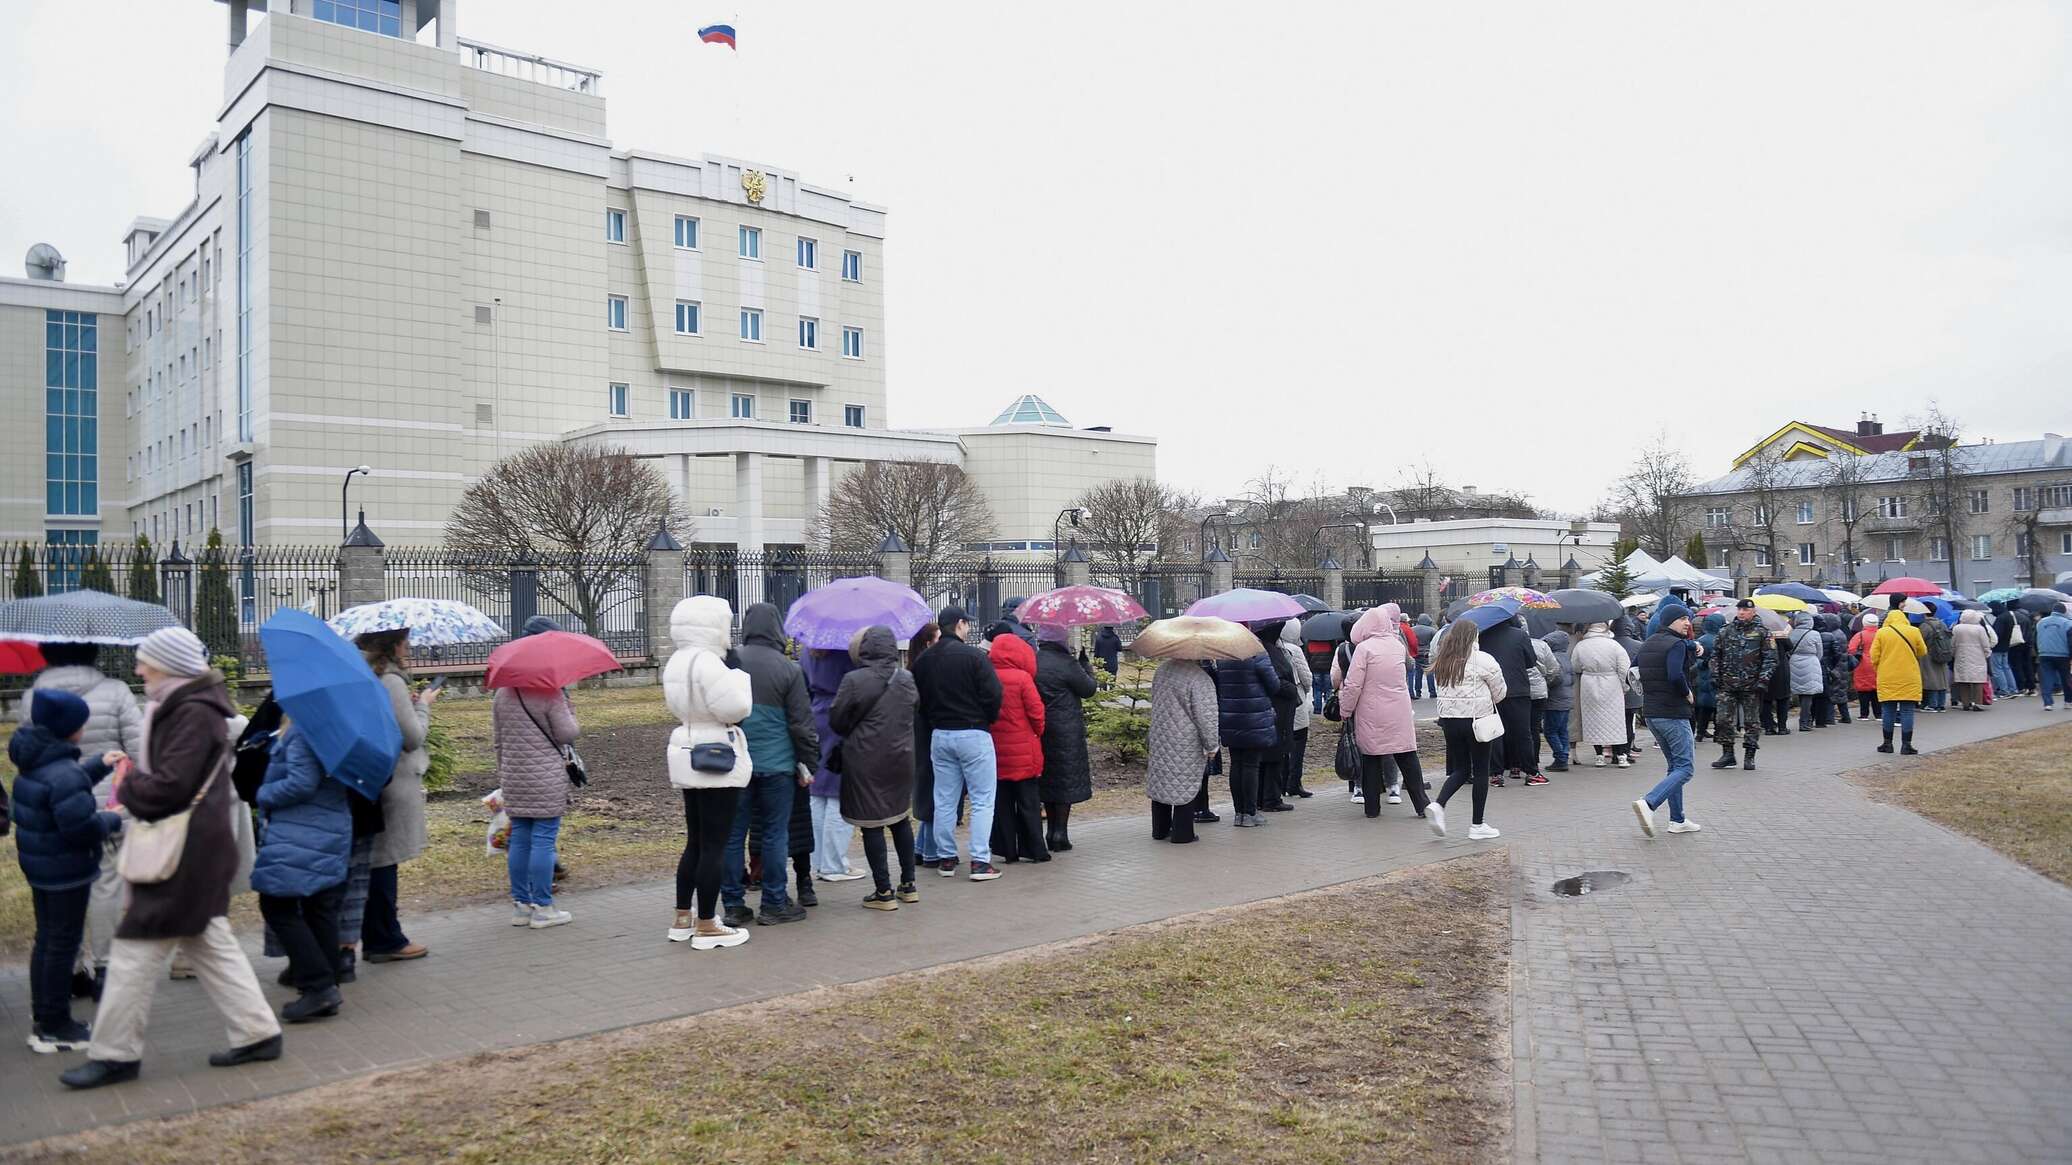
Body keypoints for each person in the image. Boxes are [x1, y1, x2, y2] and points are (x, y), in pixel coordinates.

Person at [64, 628, 282, 1090]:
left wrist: (129, 787)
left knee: (133, 952)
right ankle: (257, 1032)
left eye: (146, 662)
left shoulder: (192, 712)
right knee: (210, 943)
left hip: (184, 852)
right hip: (194, 847)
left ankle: (114, 1053)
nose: (139, 670)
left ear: (170, 666)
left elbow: (170, 786)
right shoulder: (187, 707)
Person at [25, 643, 145, 998]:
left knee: (64, 890)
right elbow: (139, 751)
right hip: (107, 806)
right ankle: (108, 968)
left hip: (52, 809)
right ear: (94, 652)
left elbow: (29, 755)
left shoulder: (34, 696)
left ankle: (72, 971)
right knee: (107, 884)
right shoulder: (116, 691)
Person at [9, 690, 123, 1053]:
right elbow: (79, 827)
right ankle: (56, 1027)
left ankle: (44, 1017)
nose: (84, 726)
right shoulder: (61, 773)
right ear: (67, 728)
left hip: (42, 868)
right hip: (67, 872)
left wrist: (99, 764)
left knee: (47, 940)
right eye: (80, 721)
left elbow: (61, 788)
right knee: (62, 944)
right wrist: (111, 820)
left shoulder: (36, 760)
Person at [663, 596, 756, 949]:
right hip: (716, 753)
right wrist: (739, 675)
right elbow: (736, 708)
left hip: (687, 748)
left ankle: (683, 916)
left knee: (696, 840)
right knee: (715, 844)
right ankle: (707, 924)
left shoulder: (676, 661)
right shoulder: (709, 663)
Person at [719, 603, 819, 929]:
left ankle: (733, 904)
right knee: (776, 834)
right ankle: (774, 902)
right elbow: (802, 725)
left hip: (736, 764)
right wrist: (809, 763)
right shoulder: (789, 670)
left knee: (733, 835)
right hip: (777, 766)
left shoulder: (728, 661)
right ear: (778, 629)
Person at [252, 719, 353, 1022]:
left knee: (276, 904)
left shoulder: (302, 730)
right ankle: (326, 984)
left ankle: (318, 986)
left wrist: (264, 793)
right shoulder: (335, 728)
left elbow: (301, 782)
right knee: (318, 906)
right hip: (329, 825)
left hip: (301, 830)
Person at [828, 626, 922, 909]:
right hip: (901, 758)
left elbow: (837, 720)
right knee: (899, 818)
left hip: (865, 759)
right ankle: (909, 885)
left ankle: (883, 892)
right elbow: (914, 709)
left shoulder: (853, 680)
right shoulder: (906, 678)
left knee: (872, 824)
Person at [355, 629, 433, 968]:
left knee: (376, 859)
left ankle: (374, 934)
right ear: (394, 645)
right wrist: (424, 709)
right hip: (394, 778)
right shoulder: (392, 681)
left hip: (372, 774)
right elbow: (411, 738)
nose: (409, 647)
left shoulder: (363, 674)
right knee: (384, 860)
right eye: (406, 642)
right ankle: (385, 938)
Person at [912, 607, 1005, 882]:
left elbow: (918, 699)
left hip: (940, 734)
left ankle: (947, 858)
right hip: (974, 732)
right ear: (961, 624)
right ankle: (979, 861)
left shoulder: (924, 660)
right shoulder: (974, 657)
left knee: (944, 799)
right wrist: (985, 717)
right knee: (982, 799)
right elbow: (993, 694)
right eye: (967, 624)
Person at [1336, 604, 1439, 831]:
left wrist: (1345, 710)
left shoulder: (1364, 649)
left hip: (1372, 712)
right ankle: (1422, 804)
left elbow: (1353, 685)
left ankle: (1372, 808)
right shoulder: (1396, 645)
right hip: (1399, 710)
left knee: (1372, 758)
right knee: (1407, 756)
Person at [493, 675, 581, 930]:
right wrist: (569, 708)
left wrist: (504, 773)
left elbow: (498, 739)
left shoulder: (502, 693)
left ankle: (521, 906)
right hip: (545, 777)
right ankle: (543, 908)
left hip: (512, 775)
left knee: (519, 838)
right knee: (543, 839)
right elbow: (568, 733)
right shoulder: (550, 693)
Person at [1632, 602, 1702, 838]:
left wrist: (1693, 645)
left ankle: (1677, 820)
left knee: (1674, 767)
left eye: (1689, 619)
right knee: (1686, 768)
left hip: (1652, 713)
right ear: (1671, 620)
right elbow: (1675, 673)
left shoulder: (1648, 643)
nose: (1688, 623)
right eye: (1683, 618)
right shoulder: (1676, 644)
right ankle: (1649, 803)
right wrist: (1686, 692)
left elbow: (1633, 671)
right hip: (1673, 712)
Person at [1430, 620, 1504, 840]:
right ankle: (1477, 825)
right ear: (1474, 637)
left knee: (1460, 769)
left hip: (1449, 721)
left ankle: (1439, 804)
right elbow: (1500, 692)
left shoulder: (1442, 660)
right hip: (1476, 720)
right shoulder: (1483, 660)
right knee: (1481, 770)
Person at [984, 629, 1049, 862]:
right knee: (1028, 803)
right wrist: (1037, 732)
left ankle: (1007, 849)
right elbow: (1036, 711)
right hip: (1024, 752)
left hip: (996, 751)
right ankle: (1034, 849)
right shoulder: (1022, 678)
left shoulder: (987, 675)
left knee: (1002, 803)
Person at [1213, 631, 1289, 828]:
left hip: (1230, 718)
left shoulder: (1223, 658)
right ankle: (1250, 812)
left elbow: (1218, 686)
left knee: (1236, 764)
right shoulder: (1257, 654)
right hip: (1255, 718)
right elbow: (1274, 685)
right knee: (1251, 765)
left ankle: (1239, 813)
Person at [803, 644, 863, 885]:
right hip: (842, 716)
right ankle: (834, 863)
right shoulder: (845, 651)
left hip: (817, 713)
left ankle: (819, 861)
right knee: (840, 792)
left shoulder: (808, 651)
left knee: (818, 793)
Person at [1033, 624, 1097, 850]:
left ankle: (1050, 833)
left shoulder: (1034, 660)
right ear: (1060, 639)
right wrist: (1086, 665)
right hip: (1066, 731)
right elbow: (1088, 689)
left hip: (1040, 730)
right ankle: (1060, 834)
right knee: (1065, 783)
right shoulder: (1067, 663)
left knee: (1048, 781)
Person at [1148, 656, 1219, 844]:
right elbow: (1206, 717)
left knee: (1162, 781)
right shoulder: (1199, 678)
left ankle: (1160, 829)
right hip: (1186, 739)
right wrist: (1211, 745)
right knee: (1184, 783)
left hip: (1161, 733)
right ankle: (1183, 833)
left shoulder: (1162, 669)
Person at [1710, 601, 1776, 771]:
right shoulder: (1726, 631)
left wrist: (1763, 680)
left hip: (1751, 685)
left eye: (1745, 610)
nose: (1741, 612)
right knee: (1722, 719)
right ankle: (1728, 753)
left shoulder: (1762, 633)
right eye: (1739, 609)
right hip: (1727, 683)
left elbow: (1770, 659)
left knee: (1751, 722)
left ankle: (1750, 755)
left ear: (1753, 611)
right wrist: (1715, 675)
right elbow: (1715, 655)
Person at [1479, 613, 1541, 787]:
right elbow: (1531, 661)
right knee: (1522, 733)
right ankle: (1530, 771)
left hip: (1492, 691)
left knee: (1495, 732)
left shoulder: (1483, 635)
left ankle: (1496, 774)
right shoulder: (1520, 635)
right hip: (1518, 689)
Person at [1253, 621, 1300, 812]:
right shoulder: (1270, 652)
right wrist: (1291, 689)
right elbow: (1276, 681)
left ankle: (1261, 797)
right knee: (1273, 756)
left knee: (1266, 757)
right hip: (1277, 711)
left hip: (1270, 710)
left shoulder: (1261, 650)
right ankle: (1271, 798)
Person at [906, 622, 943, 866]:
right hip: (929, 733)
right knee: (934, 790)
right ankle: (931, 850)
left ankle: (921, 847)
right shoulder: (928, 668)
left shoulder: (913, 668)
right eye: (938, 638)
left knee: (927, 788)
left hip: (918, 735)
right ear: (927, 642)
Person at [1572, 623, 1633, 767]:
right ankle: (1621, 756)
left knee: (1593, 720)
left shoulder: (1581, 646)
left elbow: (1575, 666)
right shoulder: (1614, 645)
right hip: (1611, 683)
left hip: (1589, 683)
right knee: (1615, 721)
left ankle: (1599, 755)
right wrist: (1624, 687)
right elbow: (1624, 667)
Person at [1871, 606, 1927, 755]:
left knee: (1888, 710)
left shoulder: (1882, 633)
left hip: (1887, 675)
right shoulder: (1914, 631)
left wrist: (1880, 666)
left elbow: (1874, 656)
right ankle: (1906, 745)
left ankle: (1887, 744)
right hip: (1909, 675)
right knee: (1907, 710)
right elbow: (1923, 651)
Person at [1277, 619, 1315, 800]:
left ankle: (1282, 782)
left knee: (1282, 744)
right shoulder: (1295, 650)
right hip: (1296, 701)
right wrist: (1306, 692)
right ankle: (1294, 782)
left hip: (1280, 704)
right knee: (1297, 746)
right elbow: (1306, 677)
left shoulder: (1271, 648)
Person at [1541, 629, 1575, 772]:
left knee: (1550, 731)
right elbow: (1572, 678)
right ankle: (1564, 755)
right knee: (1562, 730)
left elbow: (1555, 678)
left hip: (1554, 699)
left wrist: (1546, 683)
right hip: (1566, 698)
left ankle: (1560, 758)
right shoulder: (1567, 657)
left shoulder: (1553, 658)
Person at [1787, 612, 1825, 731]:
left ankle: (1801, 720)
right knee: (1807, 695)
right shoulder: (1814, 634)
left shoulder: (1791, 633)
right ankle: (1804, 721)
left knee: (1798, 691)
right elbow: (1820, 652)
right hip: (1810, 662)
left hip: (1793, 662)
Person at [1950, 609, 1994, 711]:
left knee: (1963, 681)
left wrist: (1953, 653)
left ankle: (1966, 703)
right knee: (1977, 681)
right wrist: (1987, 653)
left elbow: (1952, 643)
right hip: (1978, 657)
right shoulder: (1979, 629)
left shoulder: (1957, 628)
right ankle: (1977, 703)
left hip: (1961, 656)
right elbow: (1985, 644)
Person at [1691, 615, 1722, 741]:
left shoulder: (1701, 640)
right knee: (1718, 708)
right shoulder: (1721, 639)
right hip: (1718, 676)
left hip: (1703, 676)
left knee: (1704, 707)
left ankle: (1700, 733)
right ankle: (1718, 733)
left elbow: (1696, 659)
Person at [1847, 614, 1882, 721]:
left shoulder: (1860, 635)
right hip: (1879, 663)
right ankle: (1878, 714)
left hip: (1862, 664)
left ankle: (1864, 714)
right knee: (1876, 689)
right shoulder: (1881, 634)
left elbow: (1851, 649)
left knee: (1863, 690)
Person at [1918, 610, 1954, 713]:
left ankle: (1931, 704)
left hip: (1929, 655)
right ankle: (1941, 704)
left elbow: (1920, 641)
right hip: (1942, 653)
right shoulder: (1942, 623)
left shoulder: (1925, 626)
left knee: (1931, 680)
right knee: (1942, 680)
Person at [2036, 605, 2072, 709]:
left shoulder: (2041, 622)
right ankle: (2068, 701)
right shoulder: (2068, 623)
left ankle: (2048, 703)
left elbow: (2036, 637)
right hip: (2063, 655)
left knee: (2046, 678)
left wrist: (2040, 650)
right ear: (2064, 612)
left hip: (2044, 653)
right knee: (2066, 678)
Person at [1987, 602, 2019, 698]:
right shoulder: (2009, 616)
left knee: (1997, 669)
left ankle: (2004, 690)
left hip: (1997, 647)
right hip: (2006, 646)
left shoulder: (2000, 619)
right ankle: (2013, 689)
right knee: (2006, 668)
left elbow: (1997, 634)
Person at [1413, 613, 1439, 698]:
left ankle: (1418, 692)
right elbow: (1435, 642)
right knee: (1429, 673)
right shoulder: (1432, 630)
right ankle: (1432, 692)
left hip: (1416, 654)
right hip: (1427, 654)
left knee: (1418, 673)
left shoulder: (1412, 630)